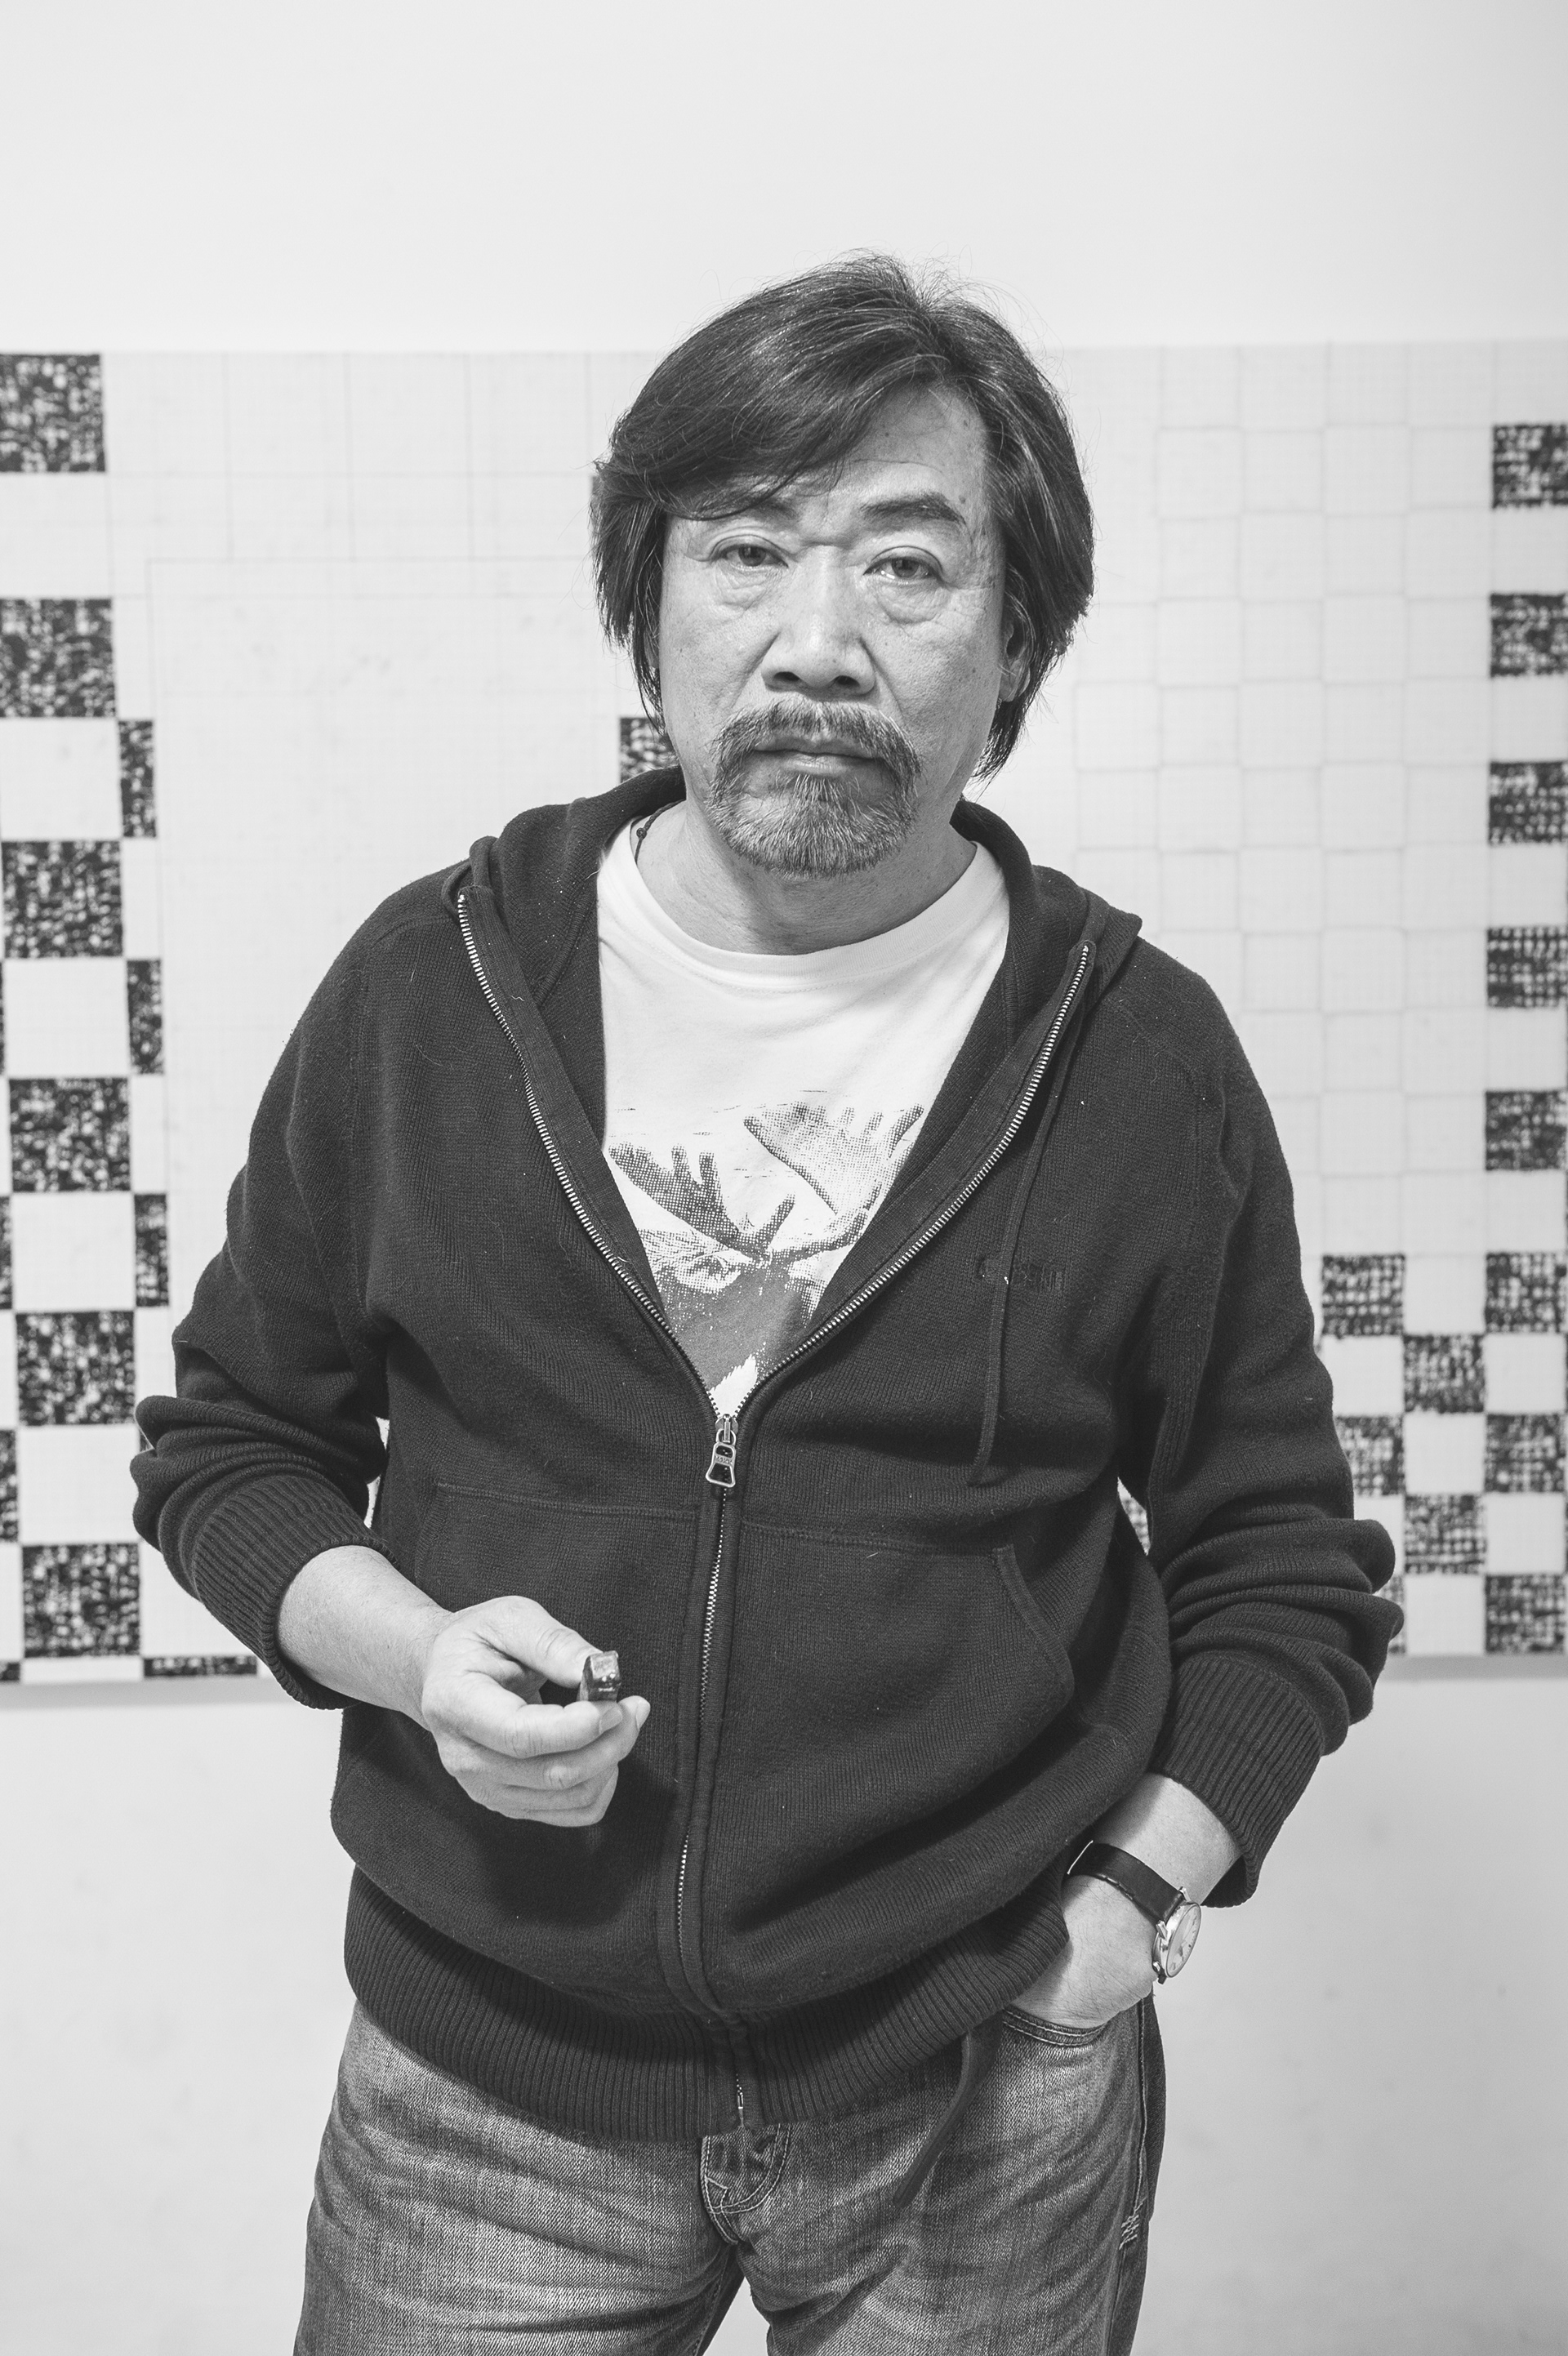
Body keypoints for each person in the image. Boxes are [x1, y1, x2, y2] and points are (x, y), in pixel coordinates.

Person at [131, 256, 1398, 2354]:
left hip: (983, 2092)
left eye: (909, 566)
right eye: (744, 551)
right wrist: (422, 1662)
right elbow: (232, 1451)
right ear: (648, 618)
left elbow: (1281, 1560)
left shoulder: (1137, 1055)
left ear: (1017, 647)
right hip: (486, 2095)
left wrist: (1129, 1910)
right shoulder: (432, 987)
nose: (817, 640)